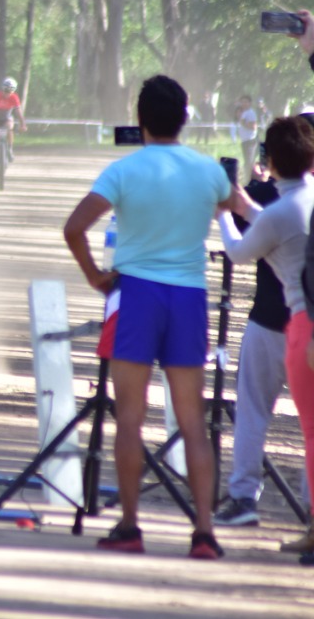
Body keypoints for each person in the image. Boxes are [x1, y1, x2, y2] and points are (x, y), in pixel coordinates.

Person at [62, 74, 229, 560]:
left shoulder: (124, 169)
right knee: (193, 421)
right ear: (185, 119)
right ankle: (204, 532)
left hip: (136, 293)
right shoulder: (208, 170)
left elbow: (74, 227)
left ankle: (131, 526)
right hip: (189, 297)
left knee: (130, 419)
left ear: (140, 120)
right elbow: (241, 210)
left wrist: (95, 276)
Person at [215, 116, 314, 556]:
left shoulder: (275, 209)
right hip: (298, 320)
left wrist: (224, 215)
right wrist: (243, 207)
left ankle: (243, 497)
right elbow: (279, 225)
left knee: (255, 411)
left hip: (291, 322)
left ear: (269, 160)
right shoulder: (300, 202)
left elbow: (241, 250)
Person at [213, 159, 294, 529]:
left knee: (251, 412)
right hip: (305, 324)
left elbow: (237, 239)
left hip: (268, 320)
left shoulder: (265, 196)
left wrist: (247, 188)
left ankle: (244, 496)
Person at [238, 94, 260, 172]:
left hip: (250, 141)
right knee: (247, 161)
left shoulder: (251, 113)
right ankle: (246, 175)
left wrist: (243, 123)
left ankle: (249, 176)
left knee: (249, 162)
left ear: (250, 103)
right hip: (245, 140)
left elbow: (254, 126)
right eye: (242, 102)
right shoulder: (244, 112)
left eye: (246, 102)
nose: (243, 104)